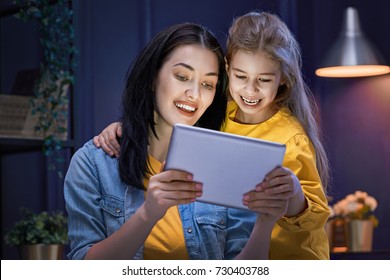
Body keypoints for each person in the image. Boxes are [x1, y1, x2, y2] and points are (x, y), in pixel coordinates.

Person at [93, 11, 331, 260]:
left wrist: (293, 195)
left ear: (283, 80)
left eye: (264, 80)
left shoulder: (291, 138)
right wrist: (126, 127)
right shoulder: (219, 116)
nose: (250, 90)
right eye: (240, 77)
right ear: (228, 69)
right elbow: (171, 126)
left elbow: (315, 217)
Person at [64, 22, 288, 260]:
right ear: (152, 77)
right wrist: (148, 214)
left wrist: (265, 222)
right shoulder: (93, 164)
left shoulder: (226, 165)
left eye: (207, 84)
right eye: (182, 76)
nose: (194, 94)